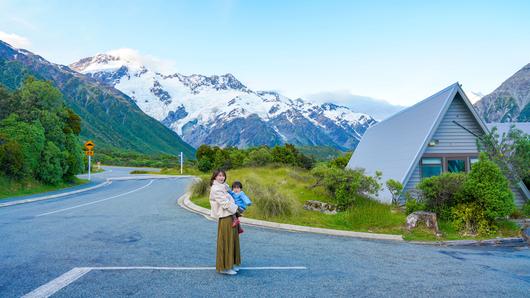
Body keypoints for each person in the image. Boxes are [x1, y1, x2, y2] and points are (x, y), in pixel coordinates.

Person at [209, 169, 241, 275]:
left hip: (230, 215)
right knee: (227, 241)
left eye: (223, 176)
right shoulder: (216, 189)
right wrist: (237, 209)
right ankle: (225, 267)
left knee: (232, 240)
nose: (222, 177)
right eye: (219, 176)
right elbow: (225, 203)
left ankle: (231, 263)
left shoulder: (223, 186)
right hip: (225, 216)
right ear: (215, 177)